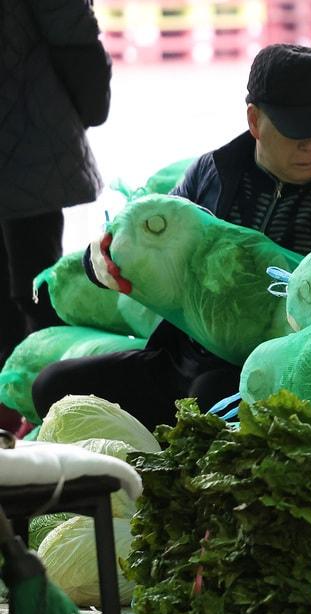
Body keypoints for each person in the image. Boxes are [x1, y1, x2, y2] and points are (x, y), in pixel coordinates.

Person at [31, 44, 311, 430]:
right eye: (297, 132)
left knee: (208, 408)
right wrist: (103, 261)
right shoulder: (210, 174)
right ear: (255, 120)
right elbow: (144, 245)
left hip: (273, 375)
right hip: (181, 357)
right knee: (54, 386)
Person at [0, 0, 112, 433]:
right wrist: (86, 107)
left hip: (25, 133)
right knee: (36, 283)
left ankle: (15, 405)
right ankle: (28, 406)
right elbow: (71, 31)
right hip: (28, 133)